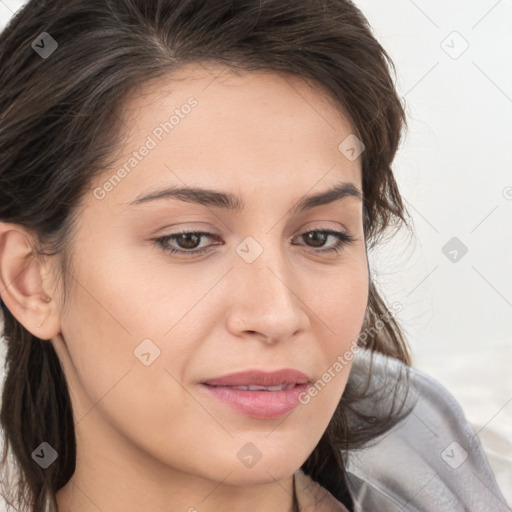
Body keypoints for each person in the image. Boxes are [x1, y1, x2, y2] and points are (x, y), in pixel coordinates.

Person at [0, 1, 508, 511]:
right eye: (189, 239)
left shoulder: (434, 454)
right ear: (30, 281)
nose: (276, 315)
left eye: (319, 237)